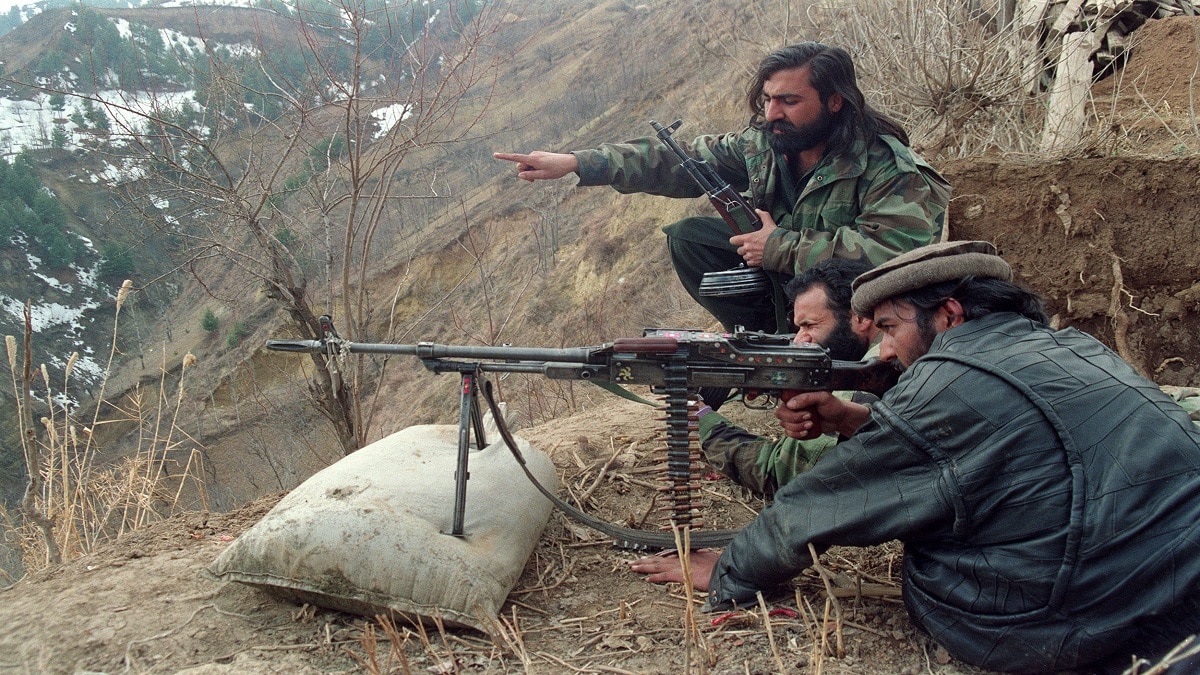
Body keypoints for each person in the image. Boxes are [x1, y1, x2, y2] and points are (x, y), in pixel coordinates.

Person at [671, 240, 1200, 673]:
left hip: (1075, 618)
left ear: (948, 314)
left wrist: (730, 572)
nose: (886, 352)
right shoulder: (1077, 347)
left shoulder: (942, 384)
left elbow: (816, 505)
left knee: (930, 555)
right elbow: (1004, 442)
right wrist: (856, 420)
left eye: (891, 328)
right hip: (1181, 583)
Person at [494, 42, 951, 334]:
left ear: (835, 101)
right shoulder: (765, 144)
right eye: (769, 99)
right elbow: (676, 160)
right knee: (690, 238)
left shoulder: (888, 164)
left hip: (854, 307)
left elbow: (895, 254)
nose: (773, 112)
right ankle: (766, 342)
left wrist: (784, 247)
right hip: (787, 281)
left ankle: (806, 349)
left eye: (789, 101)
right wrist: (577, 162)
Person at [695, 257, 878, 498]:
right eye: (798, 328)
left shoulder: (868, 376)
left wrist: (701, 420)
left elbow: (780, 475)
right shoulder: (893, 347)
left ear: (861, 318)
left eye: (810, 325)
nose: (800, 340)